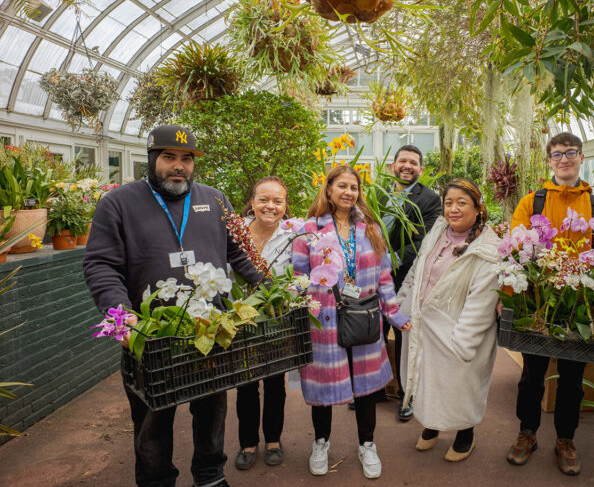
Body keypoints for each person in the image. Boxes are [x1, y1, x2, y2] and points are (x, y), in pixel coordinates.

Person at [83, 125, 262, 487]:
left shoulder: (214, 200)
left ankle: (210, 475)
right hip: (152, 336)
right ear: (152, 159)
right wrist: (122, 319)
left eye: (186, 159)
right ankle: (155, 480)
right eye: (169, 158)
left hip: (210, 332)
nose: (178, 166)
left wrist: (267, 284)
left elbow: (238, 254)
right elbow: (100, 264)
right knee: (152, 417)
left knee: (212, 408)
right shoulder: (118, 203)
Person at [504, 132, 594, 476]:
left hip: (579, 304)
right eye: (557, 154)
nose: (564, 159)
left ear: (581, 158)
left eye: (570, 153)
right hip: (539, 303)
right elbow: (517, 251)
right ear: (549, 161)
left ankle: (566, 439)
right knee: (532, 375)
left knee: (572, 378)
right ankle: (527, 433)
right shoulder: (531, 202)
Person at [292, 165, 411, 480]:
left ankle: (367, 444)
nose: (348, 192)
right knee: (324, 383)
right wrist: (299, 303)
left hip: (364, 314)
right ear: (328, 189)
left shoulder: (370, 228)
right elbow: (298, 276)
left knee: (367, 385)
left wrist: (394, 313)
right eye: (341, 186)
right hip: (324, 318)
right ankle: (321, 442)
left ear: (359, 193)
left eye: (354, 187)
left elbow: (384, 276)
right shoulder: (309, 230)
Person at [397, 179, 501, 462]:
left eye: (462, 203)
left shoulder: (489, 249)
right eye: (448, 203)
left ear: (478, 208)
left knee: (458, 384)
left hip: (457, 329)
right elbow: (417, 270)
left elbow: (482, 301)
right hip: (424, 323)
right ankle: (431, 425)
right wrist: (401, 305)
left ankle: (465, 433)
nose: (453, 209)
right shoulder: (438, 231)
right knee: (427, 379)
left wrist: (462, 342)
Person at [234, 177, 293, 470]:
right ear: (253, 201)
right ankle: (247, 443)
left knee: (274, 383)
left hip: (275, 322)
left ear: (285, 205)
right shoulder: (235, 233)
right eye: (264, 200)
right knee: (245, 384)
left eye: (278, 201)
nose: (271, 206)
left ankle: (273, 440)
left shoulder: (291, 236)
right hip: (239, 321)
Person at [382, 144, 442, 422]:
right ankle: (376, 390)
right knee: (374, 333)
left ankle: (408, 395)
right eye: (403, 161)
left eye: (414, 163)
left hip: (405, 275)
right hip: (370, 275)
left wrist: (391, 258)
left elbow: (424, 241)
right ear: (393, 165)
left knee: (407, 334)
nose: (408, 166)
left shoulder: (430, 199)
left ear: (421, 169)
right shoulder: (376, 192)